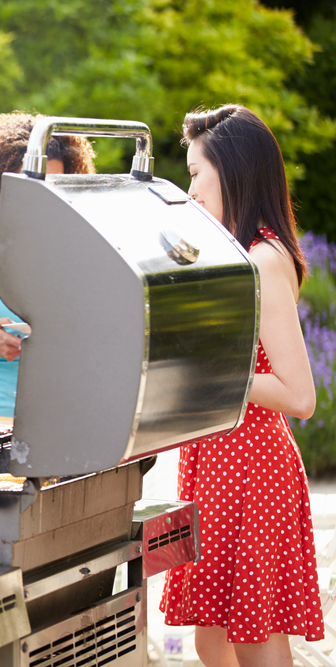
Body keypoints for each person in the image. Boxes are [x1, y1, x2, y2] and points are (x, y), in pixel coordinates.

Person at [159, 105, 322, 667]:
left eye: (196, 172)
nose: (191, 187)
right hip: (217, 464)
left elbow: (300, 397)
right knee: (213, 640)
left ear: (231, 171)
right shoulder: (240, 251)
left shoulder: (263, 258)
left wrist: (213, 371)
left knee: (253, 640)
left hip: (250, 468)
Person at [0, 112, 95, 424]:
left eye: (52, 185)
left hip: (49, 421)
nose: (40, 195)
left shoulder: (61, 254)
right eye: (30, 182)